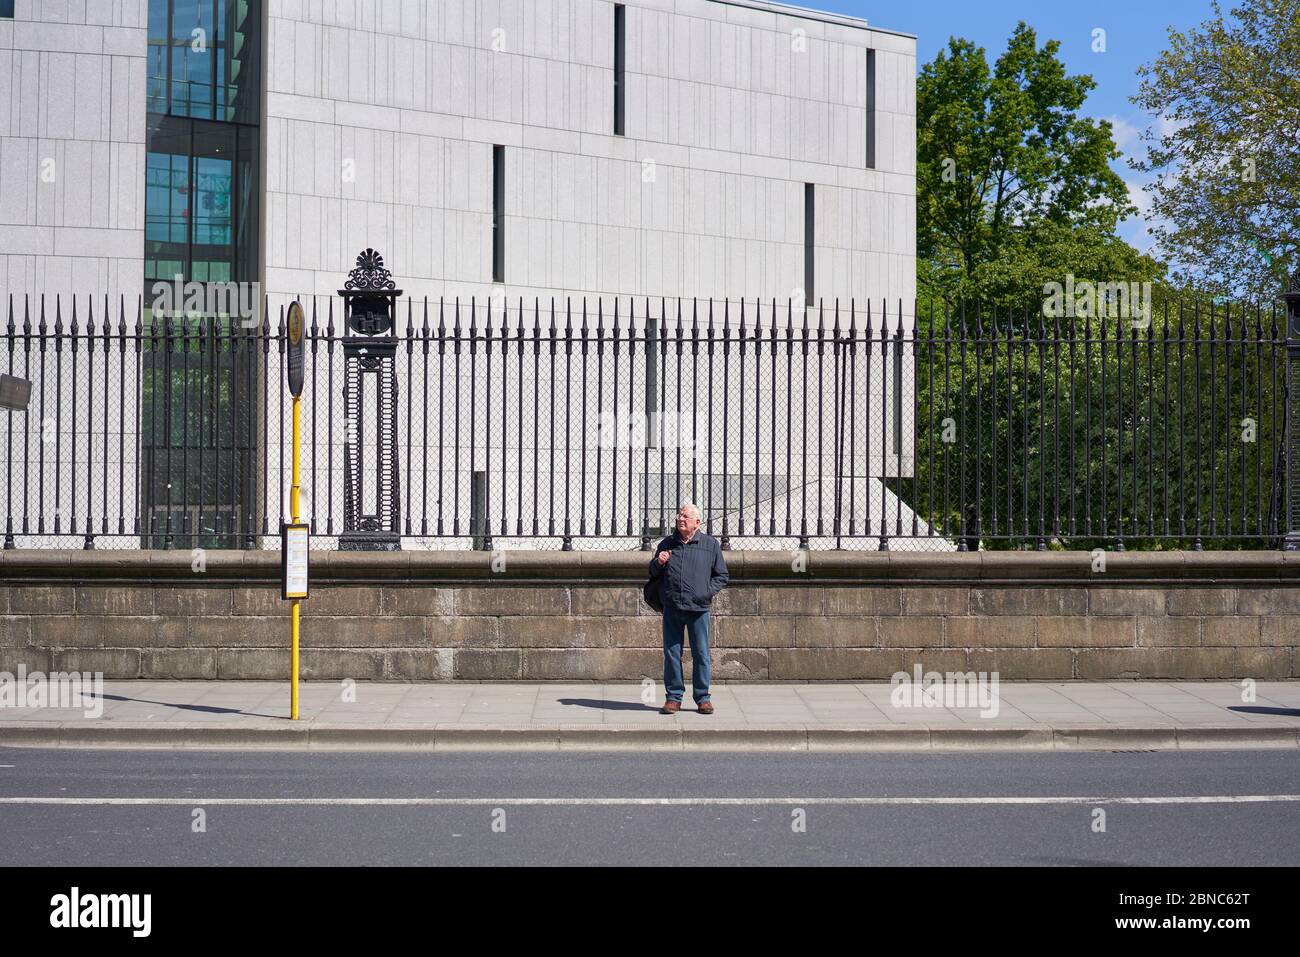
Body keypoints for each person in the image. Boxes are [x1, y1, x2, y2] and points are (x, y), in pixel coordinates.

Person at [646, 503, 729, 714]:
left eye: (685, 516)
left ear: (697, 523)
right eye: (679, 516)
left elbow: (722, 575)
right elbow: (653, 573)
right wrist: (658, 562)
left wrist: (705, 591)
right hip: (672, 607)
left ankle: (703, 698)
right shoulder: (667, 543)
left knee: (701, 654)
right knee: (672, 653)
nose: (680, 519)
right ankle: (674, 698)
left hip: (699, 608)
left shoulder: (710, 545)